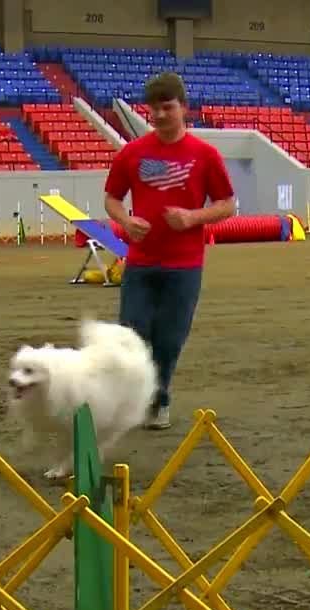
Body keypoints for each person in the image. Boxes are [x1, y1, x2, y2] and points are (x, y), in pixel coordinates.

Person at [103, 71, 236, 430]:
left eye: (168, 108)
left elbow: (227, 205)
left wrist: (193, 217)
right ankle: (131, 399)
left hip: (185, 266)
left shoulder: (204, 155)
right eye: (154, 109)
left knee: (169, 338)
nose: (160, 115)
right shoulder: (132, 154)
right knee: (132, 333)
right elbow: (111, 199)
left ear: (183, 108)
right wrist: (126, 222)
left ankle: (158, 400)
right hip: (141, 263)